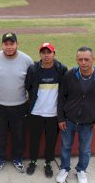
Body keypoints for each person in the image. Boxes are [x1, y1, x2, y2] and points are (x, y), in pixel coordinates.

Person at [56, 46, 95, 183]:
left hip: (88, 122)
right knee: (66, 146)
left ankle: (81, 170)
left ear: (93, 59)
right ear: (77, 60)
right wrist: (61, 118)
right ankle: (64, 168)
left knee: (85, 149)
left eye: (87, 59)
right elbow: (61, 98)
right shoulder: (69, 75)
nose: (83, 62)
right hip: (69, 120)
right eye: (80, 59)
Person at [0, 32, 33, 174]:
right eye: (6, 44)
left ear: (17, 44)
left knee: (19, 134)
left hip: (19, 105)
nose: (9, 47)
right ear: (2, 45)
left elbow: (31, 85)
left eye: (11, 44)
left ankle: (17, 158)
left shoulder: (27, 60)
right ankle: (0, 158)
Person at [24, 43, 67, 178]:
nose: (46, 55)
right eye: (43, 52)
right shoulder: (33, 69)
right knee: (34, 139)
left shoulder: (61, 69)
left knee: (51, 141)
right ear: (40, 54)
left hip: (54, 114)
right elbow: (28, 86)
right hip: (36, 112)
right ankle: (33, 161)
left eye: (49, 52)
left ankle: (48, 163)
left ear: (54, 53)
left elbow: (65, 91)